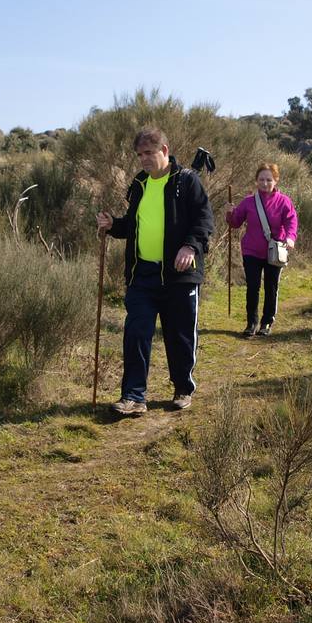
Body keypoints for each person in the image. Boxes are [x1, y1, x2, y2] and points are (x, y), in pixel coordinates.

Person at [96, 127, 214, 416]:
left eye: (148, 153)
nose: (144, 159)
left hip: (179, 275)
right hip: (142, 274)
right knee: (136, 332)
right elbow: (133, 225)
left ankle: (183, 388)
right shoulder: (139, 183)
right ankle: (133, 397)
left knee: (180, 335)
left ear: (164, 150)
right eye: (139, 154)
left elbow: (204, 220)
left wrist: (190, 246)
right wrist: (114, 225)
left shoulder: (186, 181)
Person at [225, 162, 299, 337]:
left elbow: (291, 221)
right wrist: (230, 213)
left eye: (269, 180)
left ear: (276, 181)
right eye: (261, 179)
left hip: (275, 252)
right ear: (256, 181)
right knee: (253, 287)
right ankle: (251, 323)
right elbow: (235, 223)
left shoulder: (284, 202)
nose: (265, 183)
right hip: (251, 251)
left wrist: (290, 237)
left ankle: (266, 323)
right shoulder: (248, 202)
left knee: (271, 287)